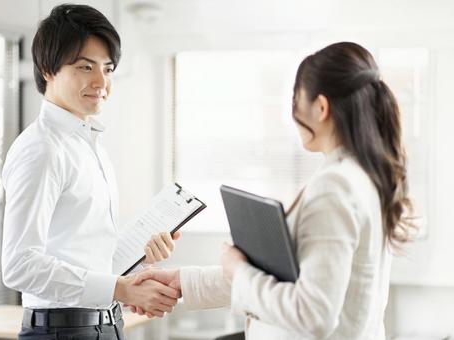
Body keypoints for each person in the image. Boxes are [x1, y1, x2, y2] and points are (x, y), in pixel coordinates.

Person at [131, 42, 415, 339]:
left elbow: (313, 313)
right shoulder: (364, 176)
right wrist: (180, 282)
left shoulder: (335, 187)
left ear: (320, 107)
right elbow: (286, 280)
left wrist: (239, 269)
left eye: (295, 101)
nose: (292, 115)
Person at [1, 4, 180, 340]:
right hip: (62, 331)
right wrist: (120, 289)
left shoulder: (88, 143)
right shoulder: (41, 149)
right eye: (86, 67)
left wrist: (139, 261)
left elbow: (85, 254)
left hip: (104, 323)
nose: (101, 82)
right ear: (47, 69)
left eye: (108, 69)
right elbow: (19, 265)